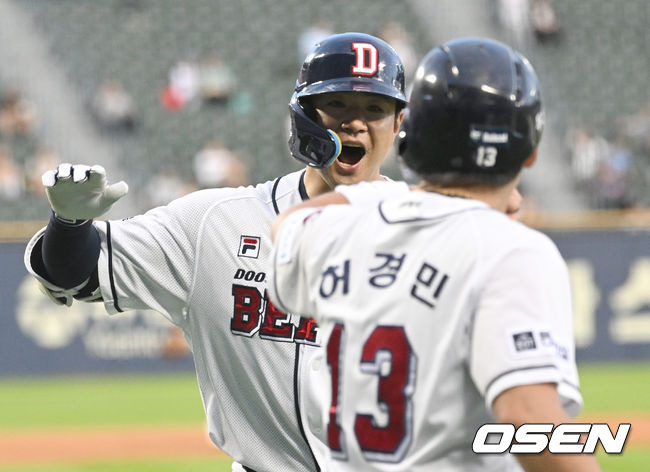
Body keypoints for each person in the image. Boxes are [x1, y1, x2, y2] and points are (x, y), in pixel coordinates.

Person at [24, 32, 406, 472]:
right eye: (338, 104)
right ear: (304, 116)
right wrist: (69, 223)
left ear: (397, 125)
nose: (355, 123)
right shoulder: (215, 223)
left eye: (375, 109)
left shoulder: (435, 235)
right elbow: (72, 272)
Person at [269, 38, 602, 471]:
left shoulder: (340, 228)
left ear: (409, 135)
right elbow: (528, 420)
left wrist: (395, 200)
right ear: (531, 150)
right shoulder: (512, 251)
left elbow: (288, 225)